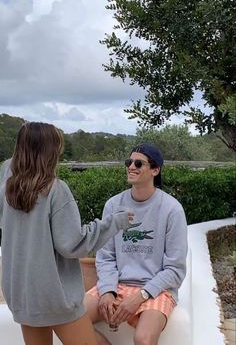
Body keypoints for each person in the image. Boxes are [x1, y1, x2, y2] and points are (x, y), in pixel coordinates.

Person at [0, 122, 134, 345]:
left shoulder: (7, 189)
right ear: (50, 151)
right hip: (54, 298)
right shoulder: (56, 190)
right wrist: (114, 222)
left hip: (23, 296)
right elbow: (73, 245)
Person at [85, 142, 188, 345]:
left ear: (155, 170)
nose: (131, 166)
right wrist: (107, 290)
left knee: (143, 339)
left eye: (139, 163)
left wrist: (140, 296)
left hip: (156, 289)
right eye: (129, 162)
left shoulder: (171, 209)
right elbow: (106, 256)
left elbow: (175, 269)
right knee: (73, 321)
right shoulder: (113, 205)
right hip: (117, 284)